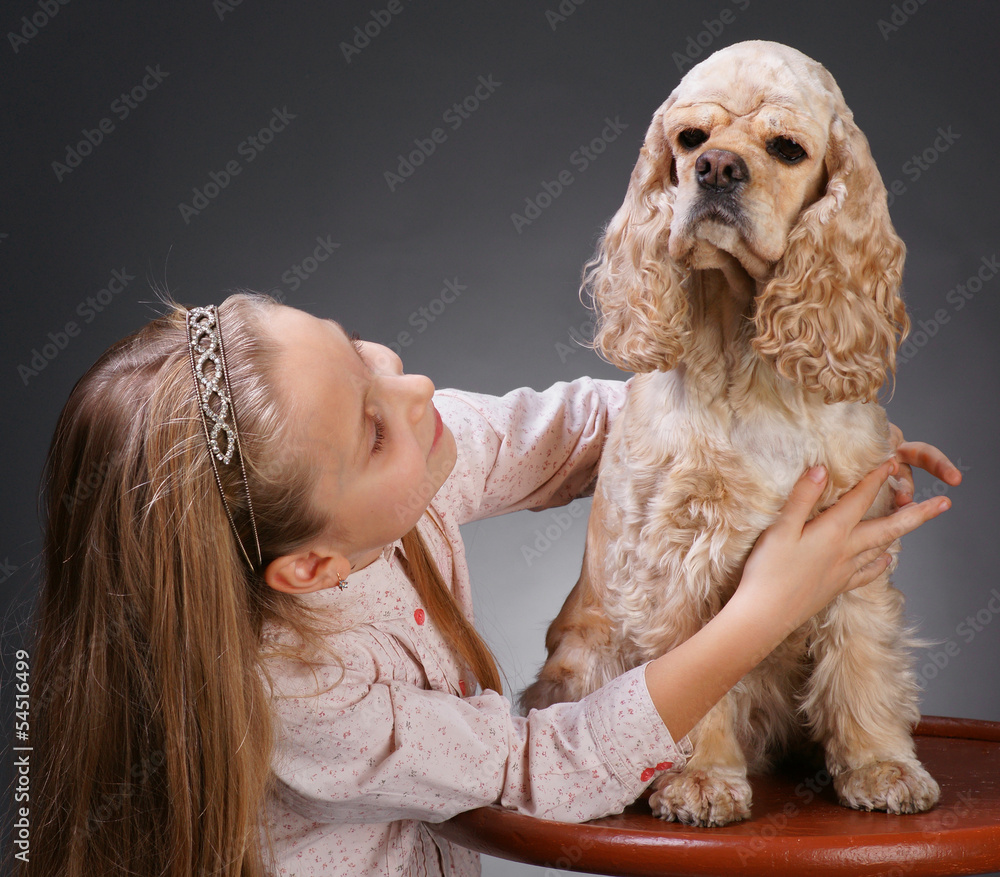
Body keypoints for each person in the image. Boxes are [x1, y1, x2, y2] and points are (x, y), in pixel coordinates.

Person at [21, 293, 959, 877]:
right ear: (311, 569)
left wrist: (807, 443)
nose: (416, 386)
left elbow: (588, 428)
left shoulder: (399, 470)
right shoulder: (296, 695)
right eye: (373, 423)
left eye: (362, 351)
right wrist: (765, 611)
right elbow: (535, 773)